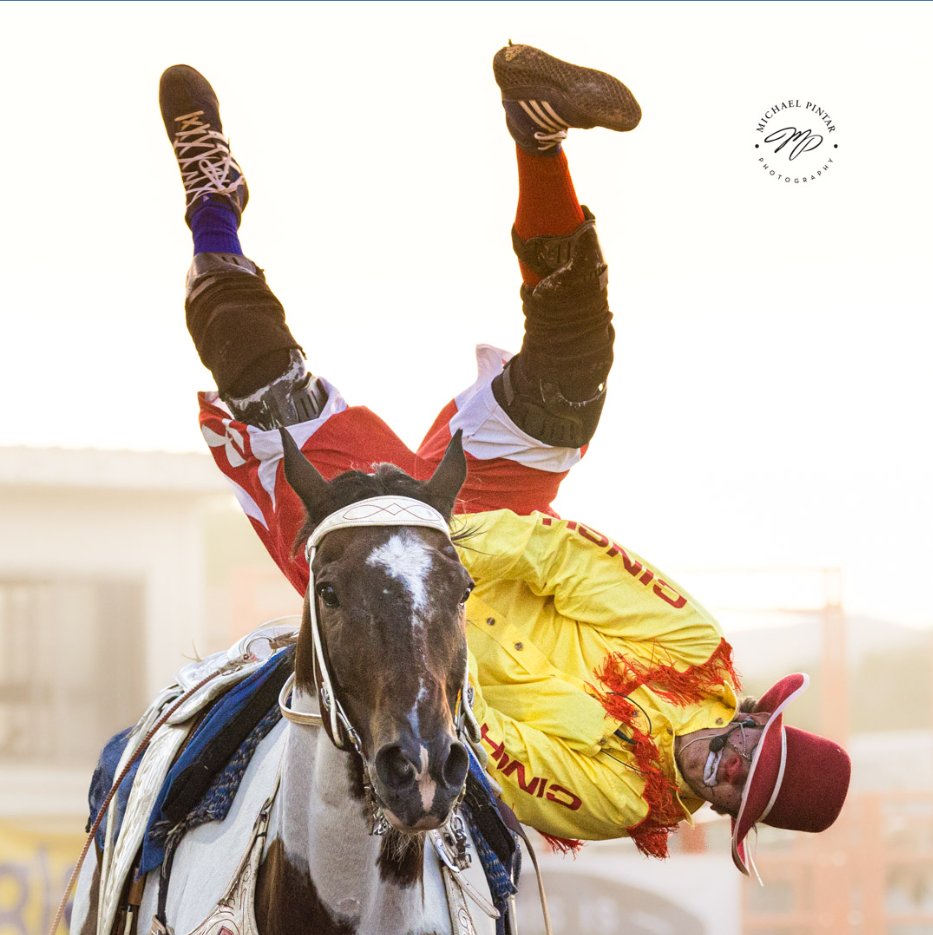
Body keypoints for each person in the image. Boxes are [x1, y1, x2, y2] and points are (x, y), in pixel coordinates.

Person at [158, 43, 850, 877]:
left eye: (742, 792)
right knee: (571, 380)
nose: (728, 771)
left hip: (384, 602)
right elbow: (567, 559)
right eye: (750, 756)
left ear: (734, 814)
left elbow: (488, 742)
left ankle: (211, 203)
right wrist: (439, 541)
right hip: (477, 520)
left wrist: (409, 570)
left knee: (254, 370)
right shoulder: (693, 647)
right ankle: (540, 134)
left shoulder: (622, 797)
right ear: (750, 720)